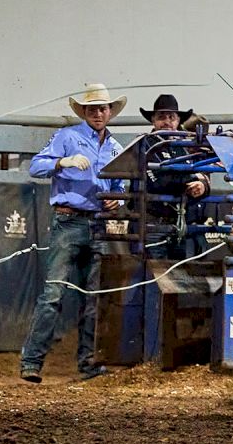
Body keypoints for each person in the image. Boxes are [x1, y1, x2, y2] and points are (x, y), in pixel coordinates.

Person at [19, 84, 127, 383]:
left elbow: (121, 186)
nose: (98, 113)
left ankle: (88, 362)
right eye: (92, 109)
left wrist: (118, 195)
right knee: (53, 293)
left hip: (98, 223)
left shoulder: (116, 148)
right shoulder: (67, 137)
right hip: (69, 221)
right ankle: (32, 361)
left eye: (102, 109)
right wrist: (61, 162)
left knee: (94, 297)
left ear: (109, 112)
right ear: (85, 112)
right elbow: (35, 167)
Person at [138, 95, 211, 259]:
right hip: (154, 223)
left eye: (171, 117)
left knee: (177, 277)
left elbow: (201, 176)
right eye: (161, 117)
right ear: (153, 120)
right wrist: (192, 180)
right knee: (155, 275)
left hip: (179, 223)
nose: (167, 121)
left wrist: (202, 186)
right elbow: (157, 182)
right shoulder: (146, 144)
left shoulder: (183, 146)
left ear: (178, 121)